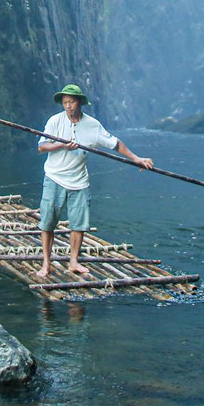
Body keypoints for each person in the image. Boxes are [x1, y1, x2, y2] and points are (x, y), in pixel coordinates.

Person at [36, 84, 153, 279]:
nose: (68, 106)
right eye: (65, 103)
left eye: (71, 102)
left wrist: (136, 158)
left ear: (79, 102)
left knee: (79, 224)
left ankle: (73, 262)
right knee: (47, 222)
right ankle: (46, 263)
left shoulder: (92, 125)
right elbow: (42, 147)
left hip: (79, 181)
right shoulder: (54, 121)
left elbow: (115, 144)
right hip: (54, 177)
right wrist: (61, 145)